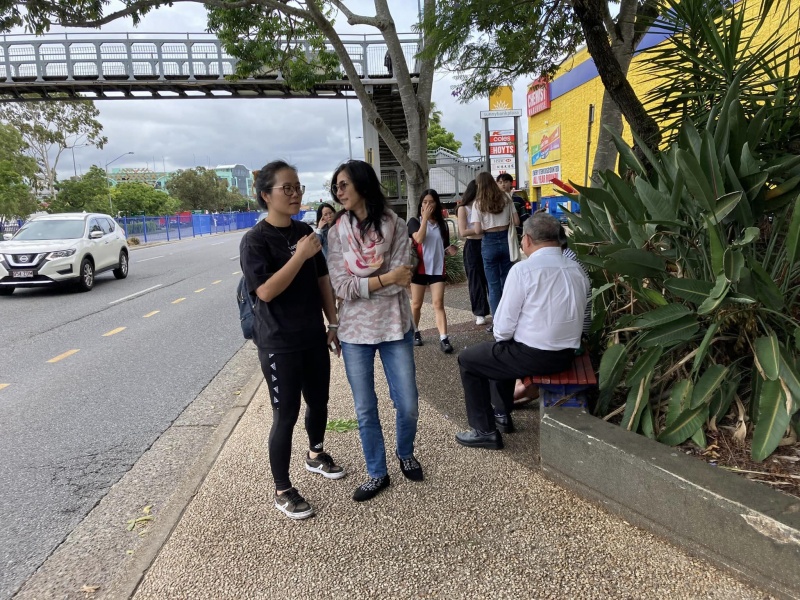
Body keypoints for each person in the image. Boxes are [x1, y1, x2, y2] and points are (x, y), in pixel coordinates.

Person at [239, 160, 345, 520]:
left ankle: (315, 453)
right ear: (265, 195)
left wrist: (333, 322)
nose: (295, 193)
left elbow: (322, 280)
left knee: (320, 402)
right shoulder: (255, 241)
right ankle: (282, 490)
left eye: (298, 187)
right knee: (286, 414)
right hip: (278, 342)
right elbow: (266, 291)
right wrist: (300, 254)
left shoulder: (305, 231)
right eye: (287, 188)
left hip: (312, 335)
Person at [326, 159, 423, 502]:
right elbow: (341, 286)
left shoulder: (395, 224)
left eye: (344, 184)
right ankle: (376, 472)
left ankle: (405, 451)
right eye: (335, 187)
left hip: (395, 326)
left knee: (408, 403)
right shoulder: (336, 232)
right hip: (355, 333)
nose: (338, 192)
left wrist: (367, 283)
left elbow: (402, 279)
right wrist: (385, 278)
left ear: (363, 184)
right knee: (365, 408)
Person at [454, 213, 590, 449]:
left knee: (471, 359)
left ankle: (484, 430)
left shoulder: (523, 270)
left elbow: (502, 329)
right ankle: (501, 414)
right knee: (500, 352)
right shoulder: (576, 268)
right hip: (567, 355)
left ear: (527, 239)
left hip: (535, 356)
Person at [407, 189, 458, 353]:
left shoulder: (442, 224)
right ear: (421, 204)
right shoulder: (414, 221)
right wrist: (425, 219)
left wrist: (450, 250)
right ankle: (415, 332)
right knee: (416, 304)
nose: (428, 205)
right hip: (419, 268)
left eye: (431, 202)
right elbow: (419, 239)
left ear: (436, 204)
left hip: (437, 268)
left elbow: (444, 246)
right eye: (425, 202)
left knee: (438, 303)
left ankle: (444, 338)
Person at [471, 171, 520, 321]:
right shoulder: (506, 198)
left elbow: (477, 230)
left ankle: (498, 321)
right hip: (506, 240)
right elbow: (516, 221)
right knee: (507, 282)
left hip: (489, 242)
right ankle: (510, 318)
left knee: (493, 285)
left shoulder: (478, 203)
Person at [456, 180, 491, 326]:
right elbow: (463, 231)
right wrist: (480, 229)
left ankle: (496, 309)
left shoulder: (485, 206)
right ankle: (480, 312)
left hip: (487, 242)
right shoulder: (463, 208)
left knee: (490, 278)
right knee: (475, 280)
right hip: (472, 245)